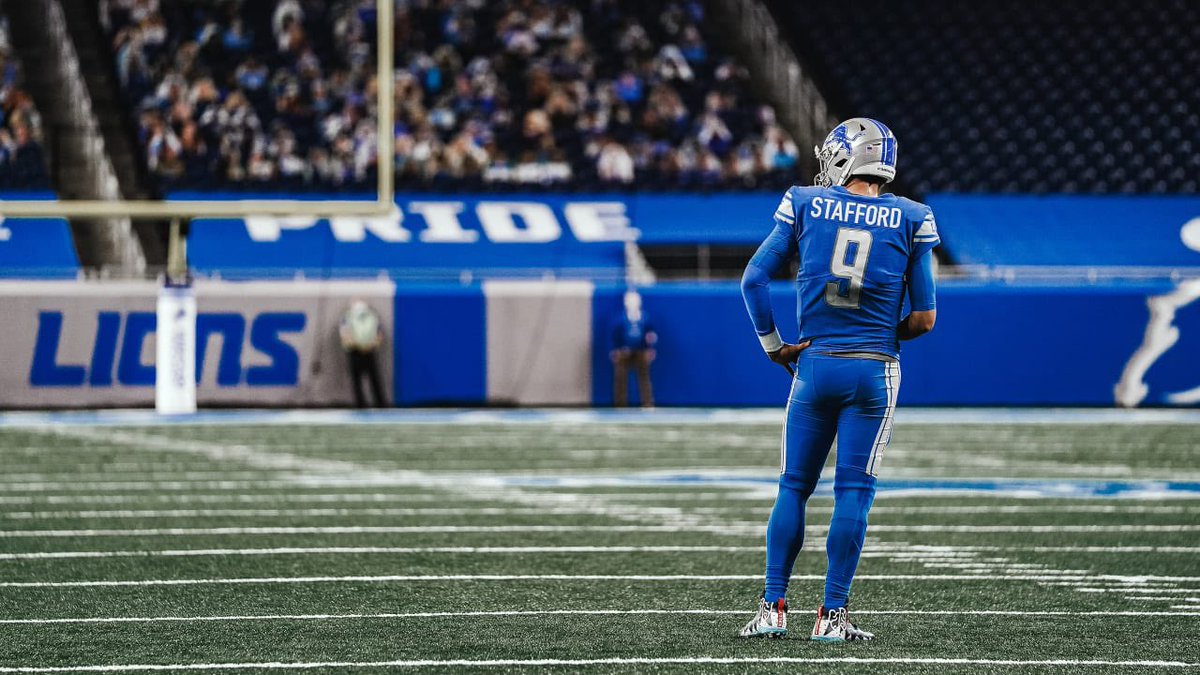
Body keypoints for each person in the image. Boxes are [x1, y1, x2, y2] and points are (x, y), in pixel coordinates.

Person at [736, 118, 939, 641]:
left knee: (793, 487)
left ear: (847, 158)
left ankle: (773, 607)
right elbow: (924, 319)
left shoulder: (804, 201)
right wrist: (876, 336)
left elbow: (753, 278)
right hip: (874, 371)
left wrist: (774, 346)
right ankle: (831, 616)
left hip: (813, 365)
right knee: (854, 492)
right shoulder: (912, 216)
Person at [611, 289, 656, 408]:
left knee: (644, 377)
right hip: (624, 352)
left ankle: (647, 403)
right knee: (621, 378)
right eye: (630, 300)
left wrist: (650, 349)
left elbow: (650, 334)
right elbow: (615, 334)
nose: (632, 303)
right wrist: (616, 350)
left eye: (635, 300)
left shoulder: (645, 318)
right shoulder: (620, 319)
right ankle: (620, 404)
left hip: (641, 351)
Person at [339, 299, 387, 408]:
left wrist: (371, 345)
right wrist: (358, 346)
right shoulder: (347, 317)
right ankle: (361, 405)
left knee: (374, 379)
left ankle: (380, 405)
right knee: (357, 381)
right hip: (355, 352)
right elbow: (345, 335)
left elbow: (379, 333)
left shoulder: (372, 317)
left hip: (369, 351)